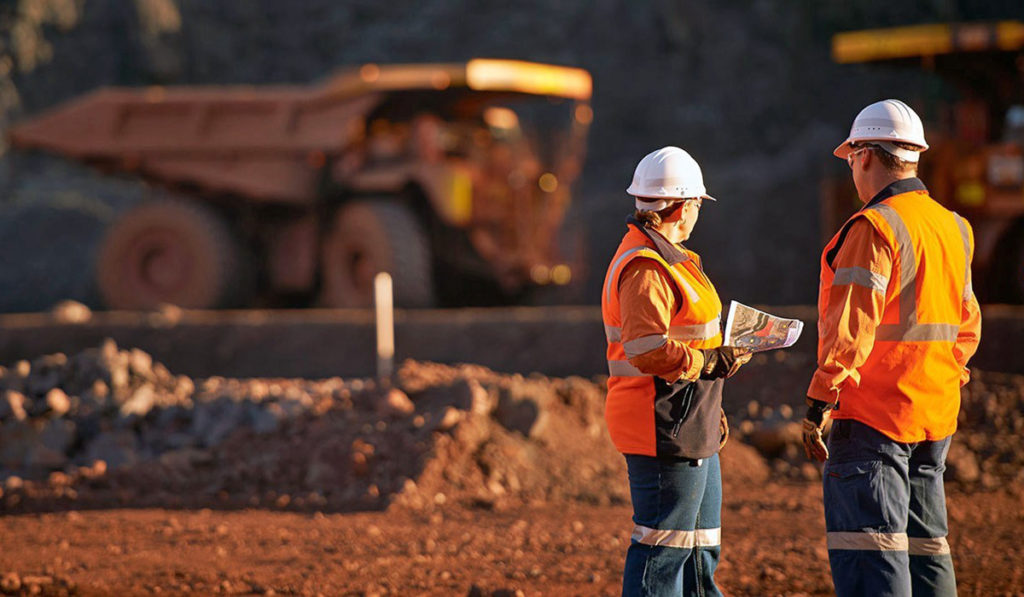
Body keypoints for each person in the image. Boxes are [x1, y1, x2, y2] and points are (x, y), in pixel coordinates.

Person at [802, 99, 982, 597]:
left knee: (872, 556)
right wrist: (945, 380)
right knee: (927, 551)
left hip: (873, 419)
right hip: (934, 416)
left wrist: (821, 399)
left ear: (863, 156)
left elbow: (850, 331)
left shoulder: (874, 227)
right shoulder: (954, 227)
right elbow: (967, 326)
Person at [601, 146, 751, 596]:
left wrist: (718, 362)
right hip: (663, 425)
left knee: (699, 550)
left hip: (689, 420)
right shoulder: (645, 265)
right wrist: (707, 362)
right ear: (685, 207)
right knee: (662, 554)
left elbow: (686, 336)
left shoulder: (671, 257)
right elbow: (646, 348)